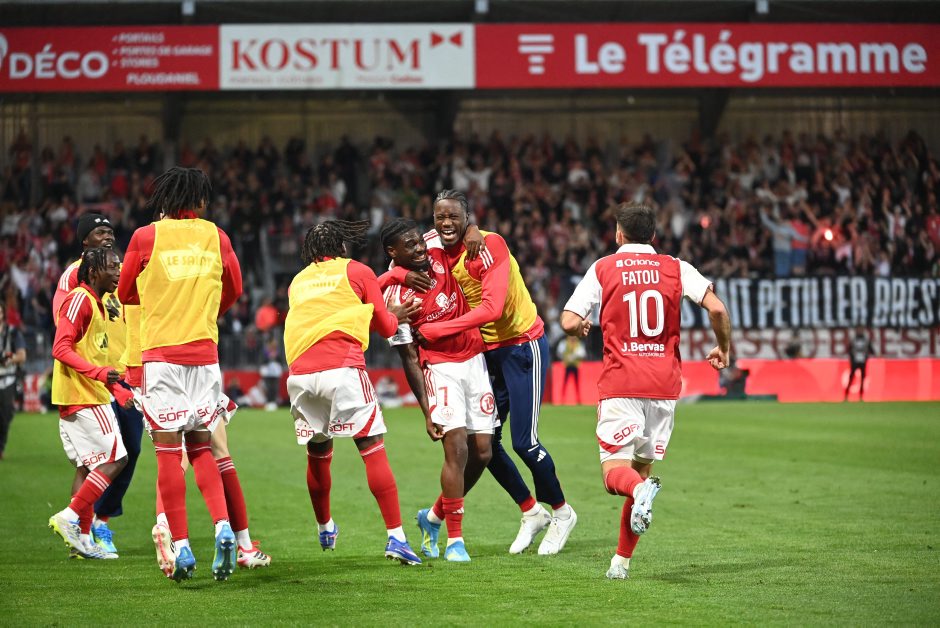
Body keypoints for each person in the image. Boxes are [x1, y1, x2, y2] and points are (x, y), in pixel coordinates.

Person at [388, 190, 577, 555]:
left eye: (454, 217)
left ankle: (562, 512)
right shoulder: (433, 242)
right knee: (485, 444)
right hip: (486, 352)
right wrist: (399, 275)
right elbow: (400, 252)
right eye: (440, 217)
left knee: (525, 442)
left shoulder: (489, 246)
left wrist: (437, 330)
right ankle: (529, 511)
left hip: (521, 344)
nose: (446, 223)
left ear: (468, 219)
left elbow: (491, 309)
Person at [560, 202, 732, 580]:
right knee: (640, 471)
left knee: (615, 477)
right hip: (664, 387)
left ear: (618, 234)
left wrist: (579, 327)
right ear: (653, 236)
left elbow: (568, 319)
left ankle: (639, 494)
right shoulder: (676, 267)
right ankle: (620, 563)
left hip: (622, 382)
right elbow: (718, 309)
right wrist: (724, 348)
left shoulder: (603, 267)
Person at [118, 166, 242, 582]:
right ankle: (223, 526)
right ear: (201, 201)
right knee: (202, 447)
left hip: (162, 357)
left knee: (168, 454)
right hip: (205, 355)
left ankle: (184, 545)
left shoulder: (145, 237)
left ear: (164, 201)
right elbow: (235, 288)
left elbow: (125, 292)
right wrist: (206, 311)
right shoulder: (217, 236)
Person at [283, 219, 423, 565]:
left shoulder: (298, 281)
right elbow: (385, 326)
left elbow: (327, 316)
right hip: (342, 369)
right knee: (372, 449)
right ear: (342, 247)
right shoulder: (357, 271)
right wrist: (395, 315)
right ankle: (397, 537)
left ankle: (325, 526)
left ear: (310, 252)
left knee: (318, 452)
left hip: (301, 375)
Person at [380, 218, 496, 562]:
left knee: (483, 453)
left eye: (419, 241)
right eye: (410, 246)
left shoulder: (433, 245)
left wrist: (472, 229)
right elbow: (409, 357)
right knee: (456, 449)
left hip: (474, 359)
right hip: (440, 368)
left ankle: (432, 518)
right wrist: (426, 410)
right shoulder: (393, 298)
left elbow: (458, 224)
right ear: (392, 252)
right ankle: (455, 541)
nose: (420, 248)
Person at [52, 212, 143, 556]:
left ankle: (84, 537)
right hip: (89, 388)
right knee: (115, 457)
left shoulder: (106, 294)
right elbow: (65, 339)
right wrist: (102, 376)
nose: (108, 236)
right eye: (99, 231)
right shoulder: (78, 290)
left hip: (111, 381)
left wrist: (121, 384)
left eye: (110, 231)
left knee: (98, 461)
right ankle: (74, 519)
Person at [0, 301, 26, 460]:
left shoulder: (12, 332)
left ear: (3, 313)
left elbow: (22, 356)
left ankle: (0, 446)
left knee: (5, 415)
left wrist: (10, 359)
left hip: (7, 378)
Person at [845, 327, 874, 402]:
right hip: (855, 362)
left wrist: (872, 354)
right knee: (851, 378)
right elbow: (849, 349)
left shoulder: (865, 340)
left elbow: (870, 349)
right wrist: (851, 359)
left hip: (863, 362)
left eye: (861, 330)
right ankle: (846, 394)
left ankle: (861, 395)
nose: (859, 331)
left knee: (862, 379)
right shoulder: (854, 339)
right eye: (858, 330)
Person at [556, 335, 586, 404]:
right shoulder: (565, 343)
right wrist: (565, 358)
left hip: (575, 366)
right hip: (568, 366)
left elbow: (582, 354)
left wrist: (574, 356)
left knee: (576, 383)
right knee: (565, 383)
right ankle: (562, 399)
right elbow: (559, 353)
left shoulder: (578, 344)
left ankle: (578, 399)